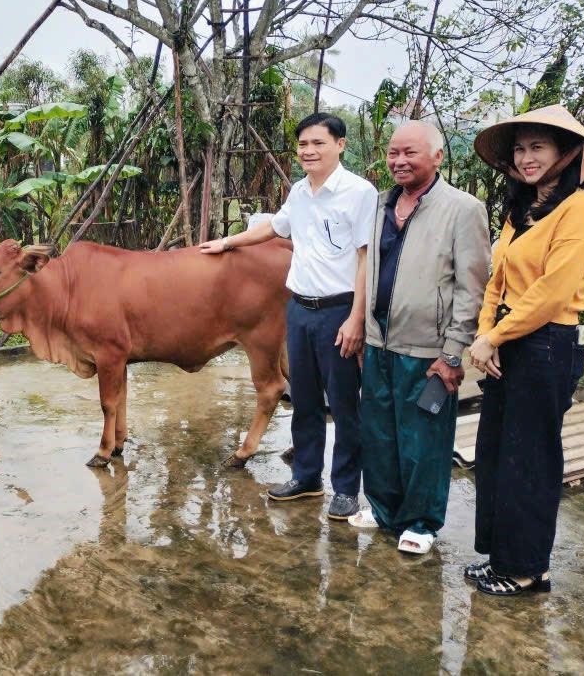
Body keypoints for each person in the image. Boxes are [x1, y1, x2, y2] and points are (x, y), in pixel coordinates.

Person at [200, 112, 377, 519]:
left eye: (318, 143)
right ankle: (307, 477)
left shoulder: (359, 192)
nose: (309, 151)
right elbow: (274, 228)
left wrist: (356, 319)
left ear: (340, 145)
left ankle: (347, 488)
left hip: (338, 311)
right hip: (298, 309)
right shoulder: (299, 191)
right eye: (303, 145)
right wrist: (226, 243)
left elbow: (367, 258)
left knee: (345, 403)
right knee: (306, 400)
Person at [465, 104, 584, 596]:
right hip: (506, 338)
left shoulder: (580, 209)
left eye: (538, 147)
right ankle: (503, 558)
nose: (527, 158)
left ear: (567, 153)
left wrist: (494, 337)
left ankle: (528, 570)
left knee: (530, 458)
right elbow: (497, 280)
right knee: (496, 453)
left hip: (547, 343)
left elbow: (551, 292)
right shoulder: (520, 210)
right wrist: (486, 332)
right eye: (521, 148)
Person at [349, 121, 490, 554]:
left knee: (423, 439)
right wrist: (364, 328)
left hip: (428, 348)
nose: (399, 161)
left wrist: (453, 353)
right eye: (393, 153)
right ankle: (384, 507)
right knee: (379, 433)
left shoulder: (462, 209)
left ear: (437, 157)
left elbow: (472, 287)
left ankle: (422, 522)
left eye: (410, 153)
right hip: (379, 343)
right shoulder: (378, 204)